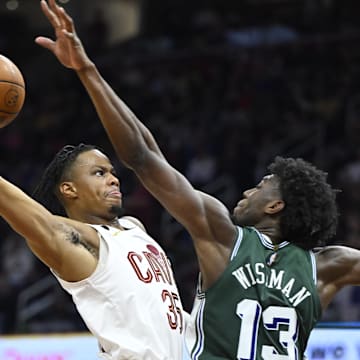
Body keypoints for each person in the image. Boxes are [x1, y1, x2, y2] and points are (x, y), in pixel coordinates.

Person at [35, 0, 360, 359]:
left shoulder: (223, 235)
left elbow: (142, 156)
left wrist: (87, 69)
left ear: (275, 205)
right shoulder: (331, 265)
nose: (249, 190)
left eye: (262, 184)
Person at [0, 145, 186, 357]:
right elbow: (39, 222)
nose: (114, 179)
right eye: (99, 173)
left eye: (112, 172)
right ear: (69, 189)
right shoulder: (78, 247)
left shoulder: (135, 228)